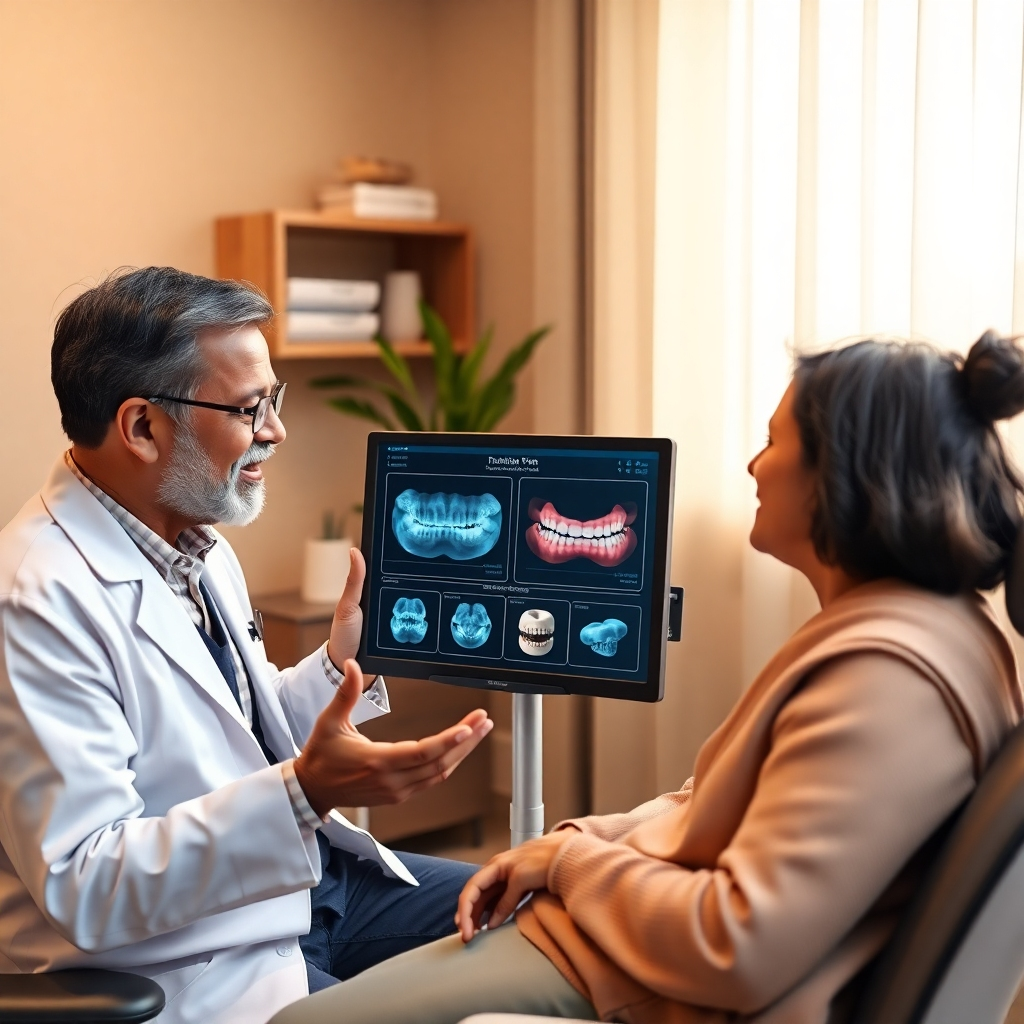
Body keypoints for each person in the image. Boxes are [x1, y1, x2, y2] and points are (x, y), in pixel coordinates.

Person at [271, 331, 1024, 1024]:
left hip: (630, 976)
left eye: (772, 443)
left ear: (847, 471)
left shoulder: (887, 681)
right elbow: (711, 807)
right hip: (610, 943)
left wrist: (566, 861)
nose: (754, 466)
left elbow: (740, 945)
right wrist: (567, 843)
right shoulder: (900, 628)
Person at [0, 267, 494, 1024]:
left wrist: (341, 667)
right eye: (248, 407)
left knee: (537, 907)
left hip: (306, 891)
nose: (276, 430)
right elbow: (86, 884)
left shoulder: (193, 541)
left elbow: (236, 739)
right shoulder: (36, 602)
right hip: (193, 956)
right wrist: (305, 792)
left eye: (274, 399)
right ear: (141, 427)